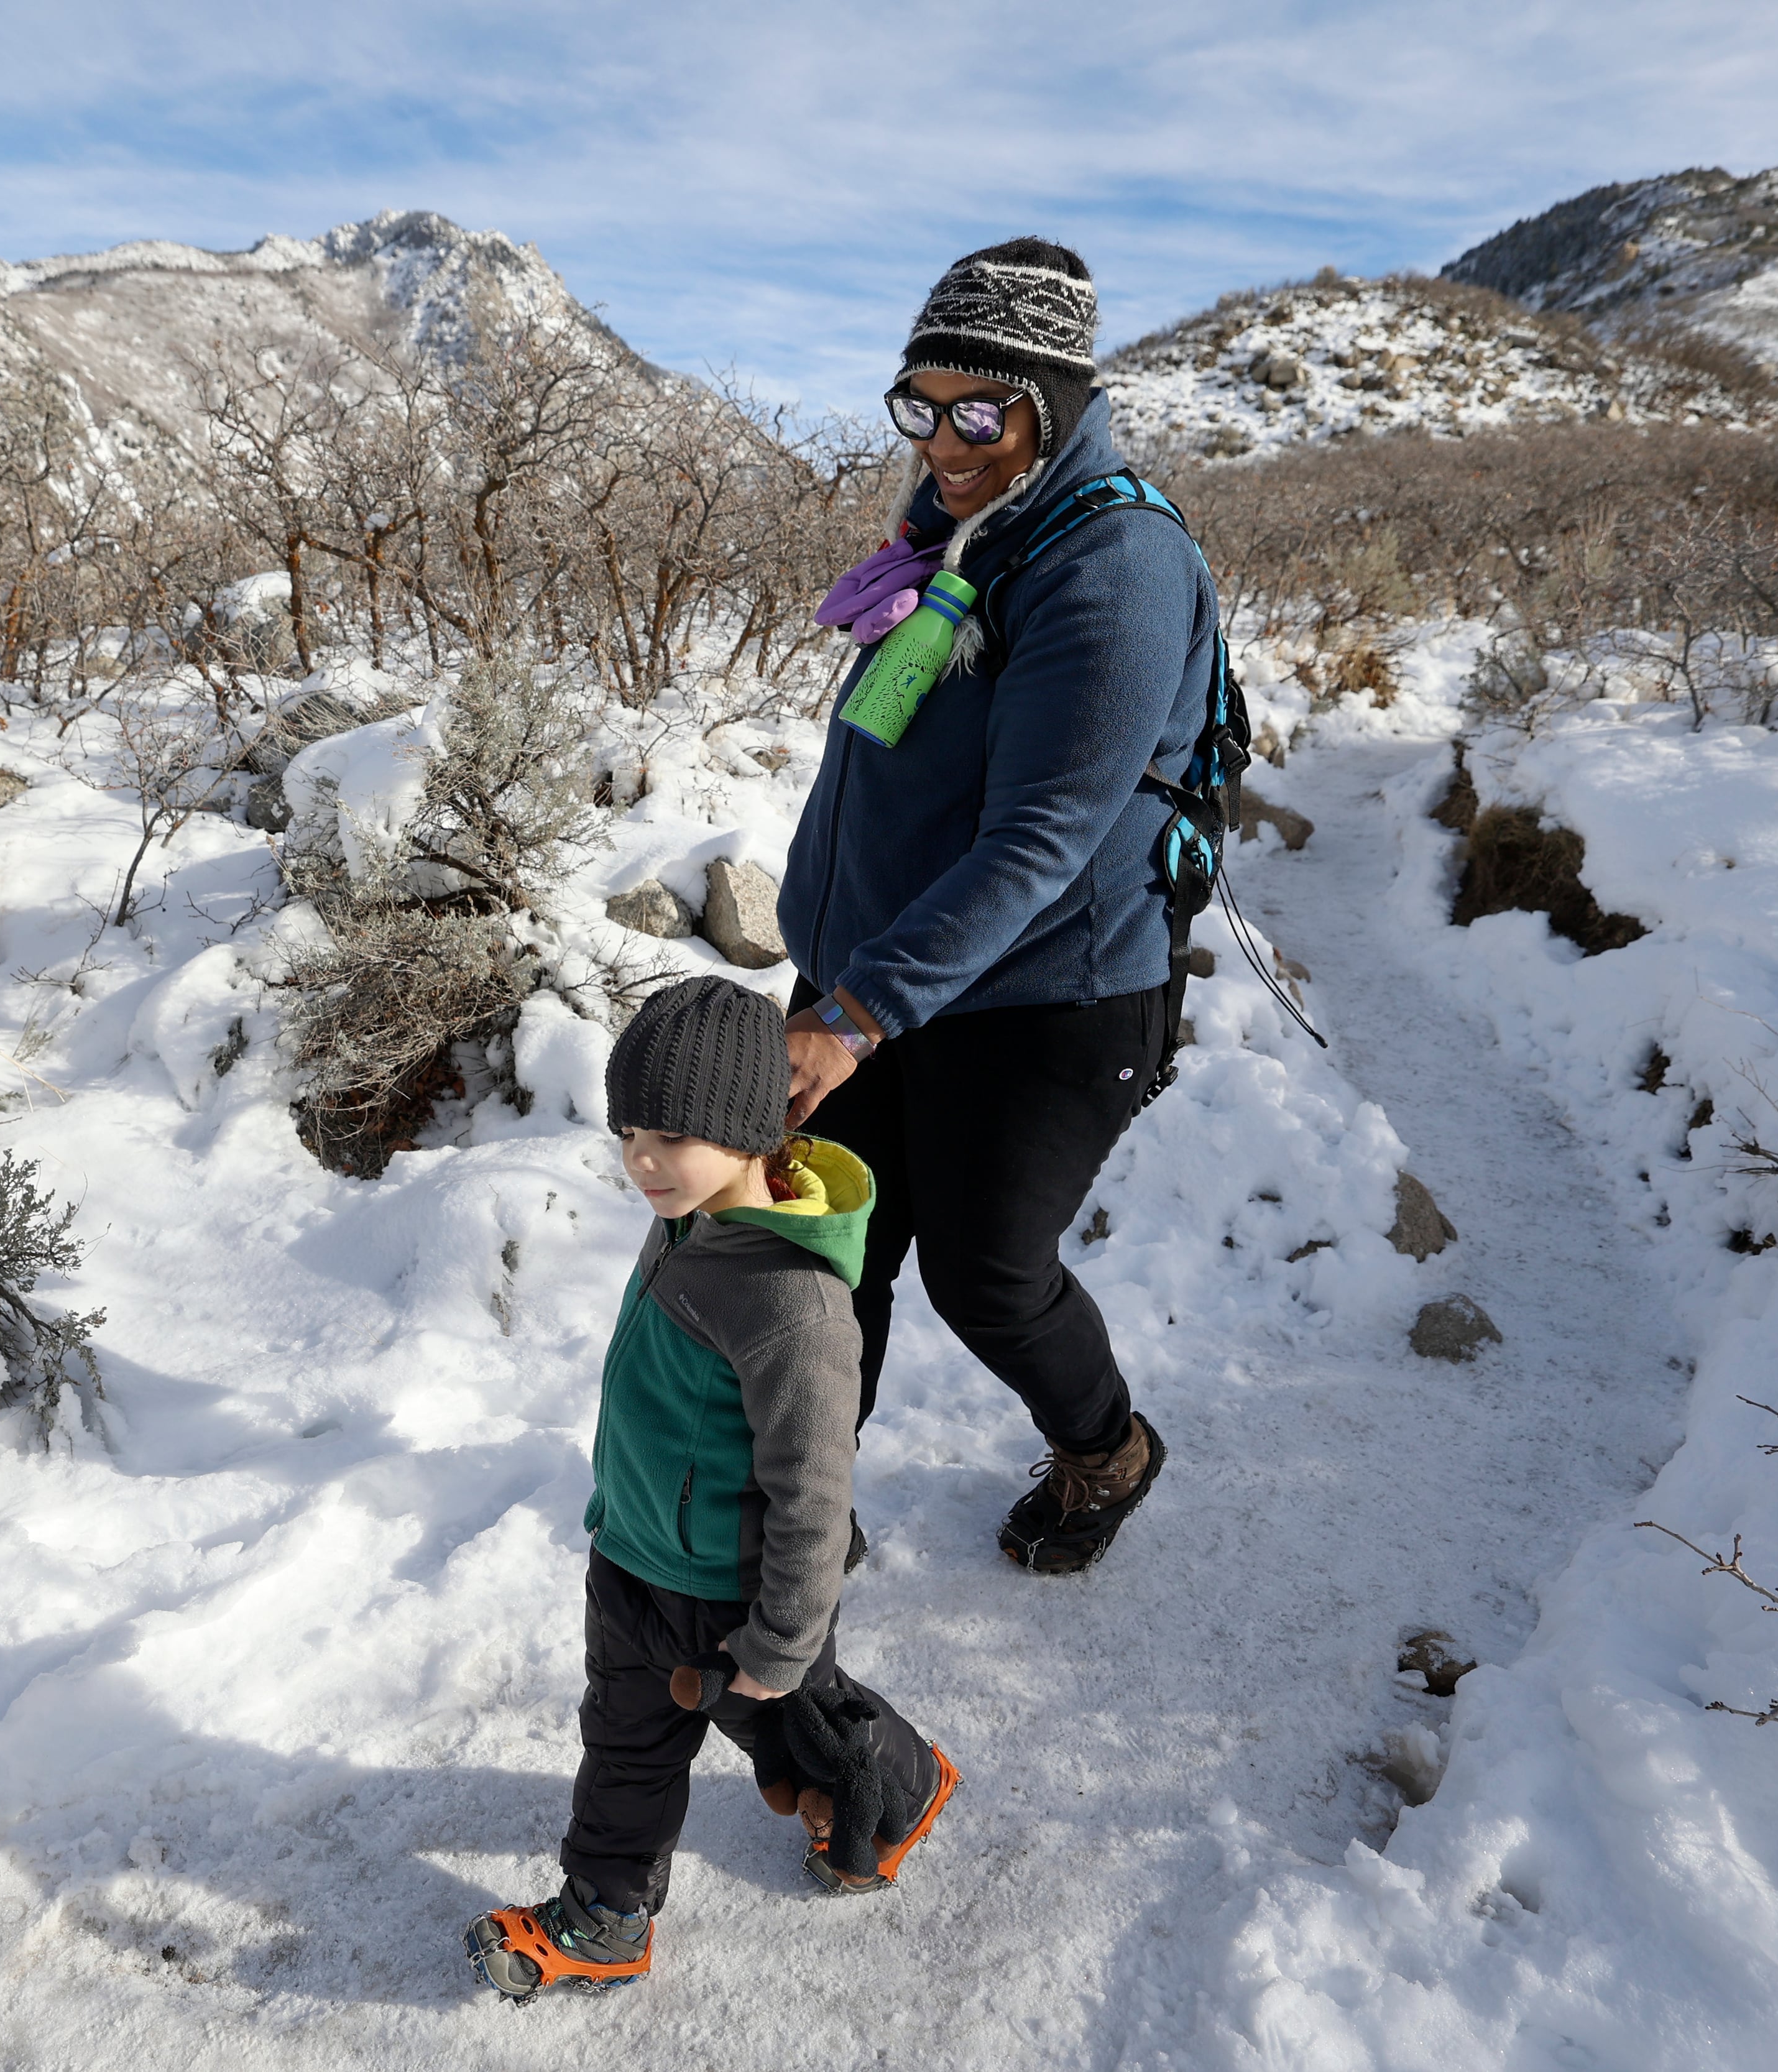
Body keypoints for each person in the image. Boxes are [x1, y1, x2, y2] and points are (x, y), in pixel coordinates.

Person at [776, 238, 1215, 1577]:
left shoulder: (1116, 558)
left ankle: (1108, 1447)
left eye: (983, 411)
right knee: (814, 1264)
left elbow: (1040, 837)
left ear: (1055, 402)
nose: (946, 439)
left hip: (1042, 992)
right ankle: (793, 1523)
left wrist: (853, 1014)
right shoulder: (956, 535)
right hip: (878, 973)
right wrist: (831, 964)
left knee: (987, 1274)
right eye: (921, 404)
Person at [466, 976, 958, 2003]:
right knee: (626, 1746)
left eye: (670, 1136)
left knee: (801, 1731)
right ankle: (606, 1917)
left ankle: (902, 1786)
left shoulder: (795, 1304)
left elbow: (816, 1492)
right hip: (636, 1557)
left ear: (746, 1129)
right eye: (630, 1131)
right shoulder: (686, 1215)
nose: (642, 1160)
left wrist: (780, 1642)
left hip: (734, 1597)